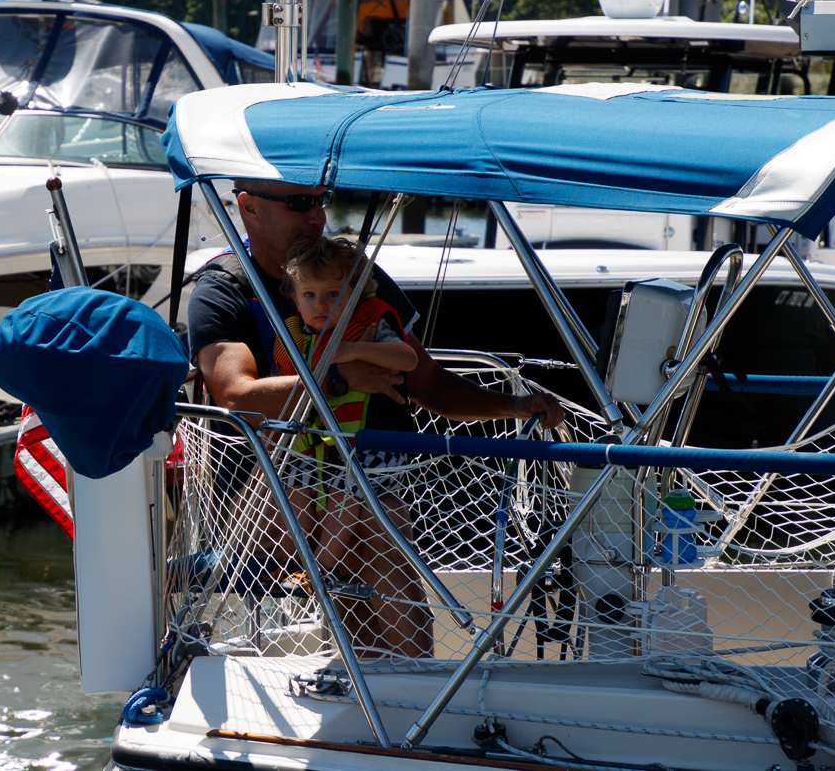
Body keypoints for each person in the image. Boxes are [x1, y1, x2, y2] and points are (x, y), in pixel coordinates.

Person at [187, 179, 565, 658]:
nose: (317, 217)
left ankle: (378, 692)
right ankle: (403, 693)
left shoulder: (358, 276)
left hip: (361, 482)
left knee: (373, 523)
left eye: (321, 203)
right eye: (301, 204)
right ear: (249, 208)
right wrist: (339, 380)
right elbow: (237, 397)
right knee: (376, 531)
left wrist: (514, 407)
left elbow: (425, 382)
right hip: (268, 493)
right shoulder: (223, 289)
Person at [273, 234, 419, 575]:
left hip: (372, 444)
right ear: (294, 299)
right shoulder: (296, 337)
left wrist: (351, 351)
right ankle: (289, 560)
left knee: (345, 493)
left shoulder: (370, 325)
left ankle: (319, 569)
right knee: (294, 487)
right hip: (322, 442)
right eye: (309, 295)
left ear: (358, 295)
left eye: (333, 294)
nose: (320, 305)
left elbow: (408, 358)